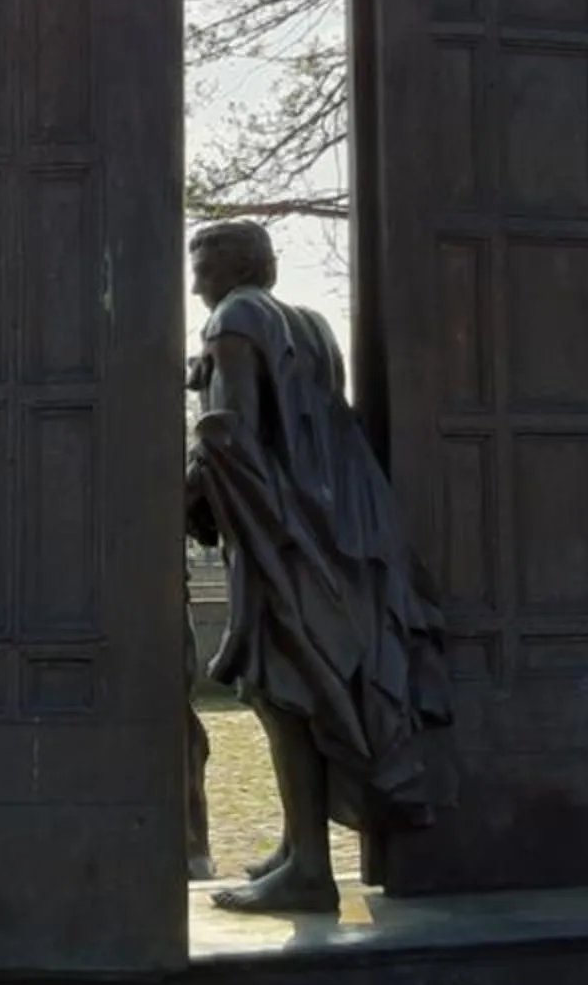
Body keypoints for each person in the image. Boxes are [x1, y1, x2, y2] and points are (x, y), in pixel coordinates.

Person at [184, 218, 448, 914]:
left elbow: (232, 437)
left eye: (202, 269)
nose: (195, 284)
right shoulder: (311, 326)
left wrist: (185, 495)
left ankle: (308, 867)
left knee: (281, 688)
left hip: (281, 530)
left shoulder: (232, 319)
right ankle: (294, 844)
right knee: (307, 680)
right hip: (343, 521)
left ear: (233, 268)